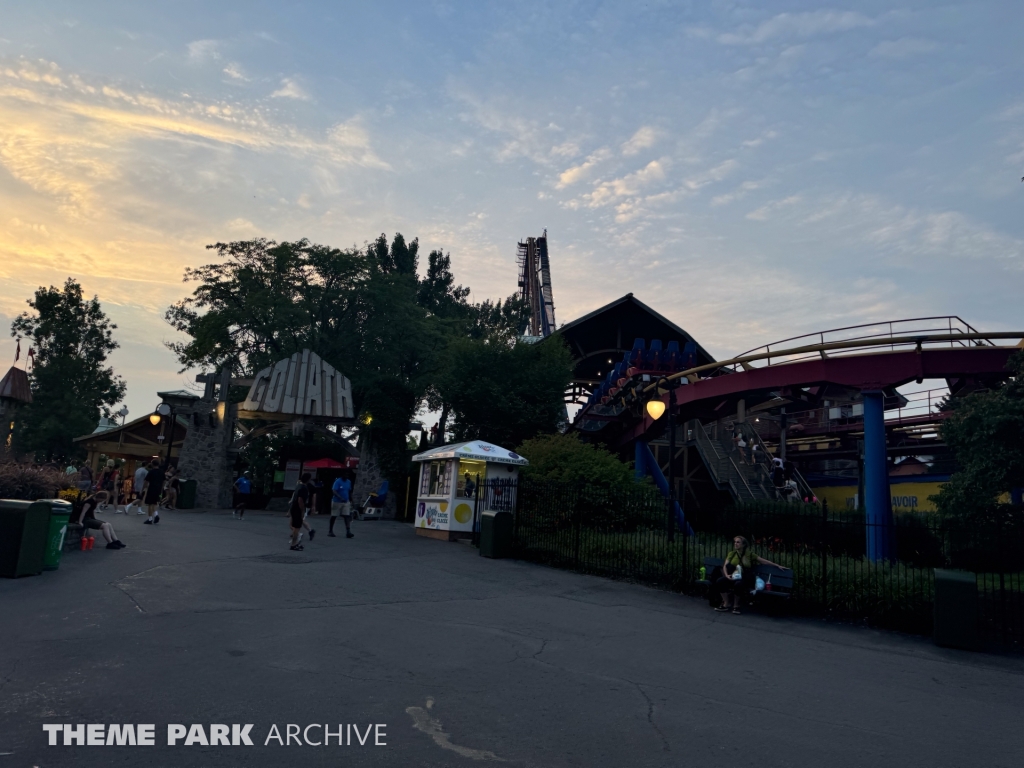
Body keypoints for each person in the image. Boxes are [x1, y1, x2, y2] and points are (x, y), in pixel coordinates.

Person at [710, 536, 788, 615]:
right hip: (733, 576)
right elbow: (725, 566)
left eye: (738, 542)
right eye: (735, 542)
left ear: (743, 545)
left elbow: (763, 561)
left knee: (738, 584)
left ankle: (736, 605)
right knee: (720, 581)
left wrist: (777, 565)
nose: (735, 544)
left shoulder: (749, 555)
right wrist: (726, 575)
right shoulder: (732, 554)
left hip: (745, 578)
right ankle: (726, 603)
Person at [288, 473, 312, 550]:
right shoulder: (303, 488)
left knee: (295, 526)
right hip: (297, 509)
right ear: (308, 479)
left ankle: (295, 543)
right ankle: (293, 544)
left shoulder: (298, 486)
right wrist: (302, 510)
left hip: (293, 508)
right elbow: (300, 500)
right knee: (297, 528)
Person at [329, 472, 353, 538]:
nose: (346, 476)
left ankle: (348, 531)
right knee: (334, 516)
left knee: (346, 516)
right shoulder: (338, 481)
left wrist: (351, 499)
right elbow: (334, 490)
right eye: (345, 475)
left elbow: (349, 491)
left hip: (346, 501)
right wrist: (340, 497)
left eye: (347, 475)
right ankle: (330, 530)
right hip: (337, 501)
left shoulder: (349, 482)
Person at [142, 461, 165, 525]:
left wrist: (143, 489)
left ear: (152, 464)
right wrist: (161, 489)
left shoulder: (151, 472)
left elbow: (146, 481)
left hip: (151, 489)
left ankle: (150, 519)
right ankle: (156, 515)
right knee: (154, 503)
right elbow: (164, 481)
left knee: (150, 504)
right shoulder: (161, 472)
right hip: (158, 489)